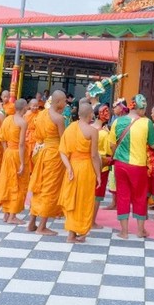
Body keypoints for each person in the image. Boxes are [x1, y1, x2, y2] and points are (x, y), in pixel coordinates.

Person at [110, 94, 154, 240]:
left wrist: (119, 156)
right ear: (140, 108)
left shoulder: (117, 122)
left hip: (120, 164)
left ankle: (124, 232)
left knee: (123, 196)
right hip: (138, 165)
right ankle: (140, 230)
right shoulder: (146, 123)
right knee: (140, 197)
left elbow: (112, 145)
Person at [58, 101, 101, 243]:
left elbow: (62, 151)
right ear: (90, 115)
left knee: (73, 200)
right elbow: (94, 156)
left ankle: (72, 233)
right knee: (83, 200)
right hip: (86, 169)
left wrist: (69, 167)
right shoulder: (93, 131)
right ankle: (76, 233)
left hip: (73, 166)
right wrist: (99, 175)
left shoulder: (70, 128)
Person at [27, 91, 68, 236]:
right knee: (50, 189)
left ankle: (32, 222)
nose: (66, 104)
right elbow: (63, 139)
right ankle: (42, 226)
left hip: (42, 152)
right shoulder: (58, 118)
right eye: (64, 101)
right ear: (58, 102)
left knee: (39, 187)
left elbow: (38, 135)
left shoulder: (41, 114)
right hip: (54, 154)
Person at [0, 99, 30, 224]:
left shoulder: (7, 119)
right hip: (17, 154)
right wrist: (22, 162)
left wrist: (6, 151)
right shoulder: (22, 122)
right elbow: (21, 144)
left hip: (9, 152)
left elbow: (2, 138)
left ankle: (6, 213)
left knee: (8, 182)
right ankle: (12, 216)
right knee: (18, 183)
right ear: (24, 107)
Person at [92, 104, 113, 225]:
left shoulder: (89, 128)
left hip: (88, 164)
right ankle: (92, 221)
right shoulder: (105, 134)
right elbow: (109, 151)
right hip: (102, 166)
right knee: (97, 195)